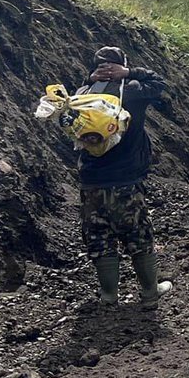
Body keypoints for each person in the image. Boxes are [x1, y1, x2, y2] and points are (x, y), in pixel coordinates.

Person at [73, 46, 172, 308]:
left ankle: (109, 296)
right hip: (126, 180)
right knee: (138, 235)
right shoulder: (132, 91)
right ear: (120, 65)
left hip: (91, 181)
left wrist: (89, 79)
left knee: (99, 237)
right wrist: (129, 72)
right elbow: (160, 84)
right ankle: (150, 293)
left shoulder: (82, 94)